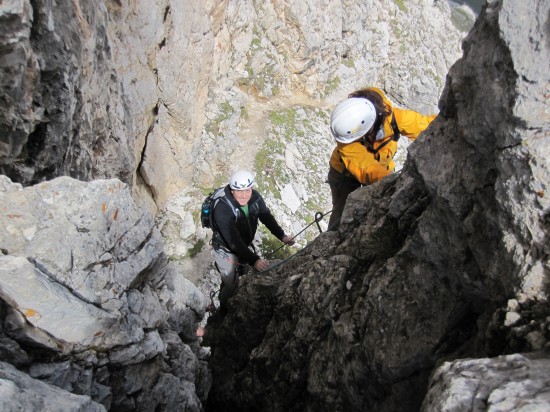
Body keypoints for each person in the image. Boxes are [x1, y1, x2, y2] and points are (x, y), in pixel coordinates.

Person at [327, 86, 437, 230]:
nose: (359, 139)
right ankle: (334, 237)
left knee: (375, 207)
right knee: (340, 213)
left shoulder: (395, 119)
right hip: (343, 173)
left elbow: (426, 126)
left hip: (381, 167)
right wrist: (392, 182)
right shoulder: (347, 135)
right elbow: (366, 167)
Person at [210, 169, 295, 307]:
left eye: (247, 190)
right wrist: (254, 260)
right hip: (225, 249)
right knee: (231, 284)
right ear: (232, 190)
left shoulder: (255, 197)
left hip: (244, 244)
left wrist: (282, 236)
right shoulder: (222, 208)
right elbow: (233, 241)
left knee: (245, 272)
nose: (244, 196)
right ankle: (223, 309)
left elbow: (266, 217)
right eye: (239, 191)